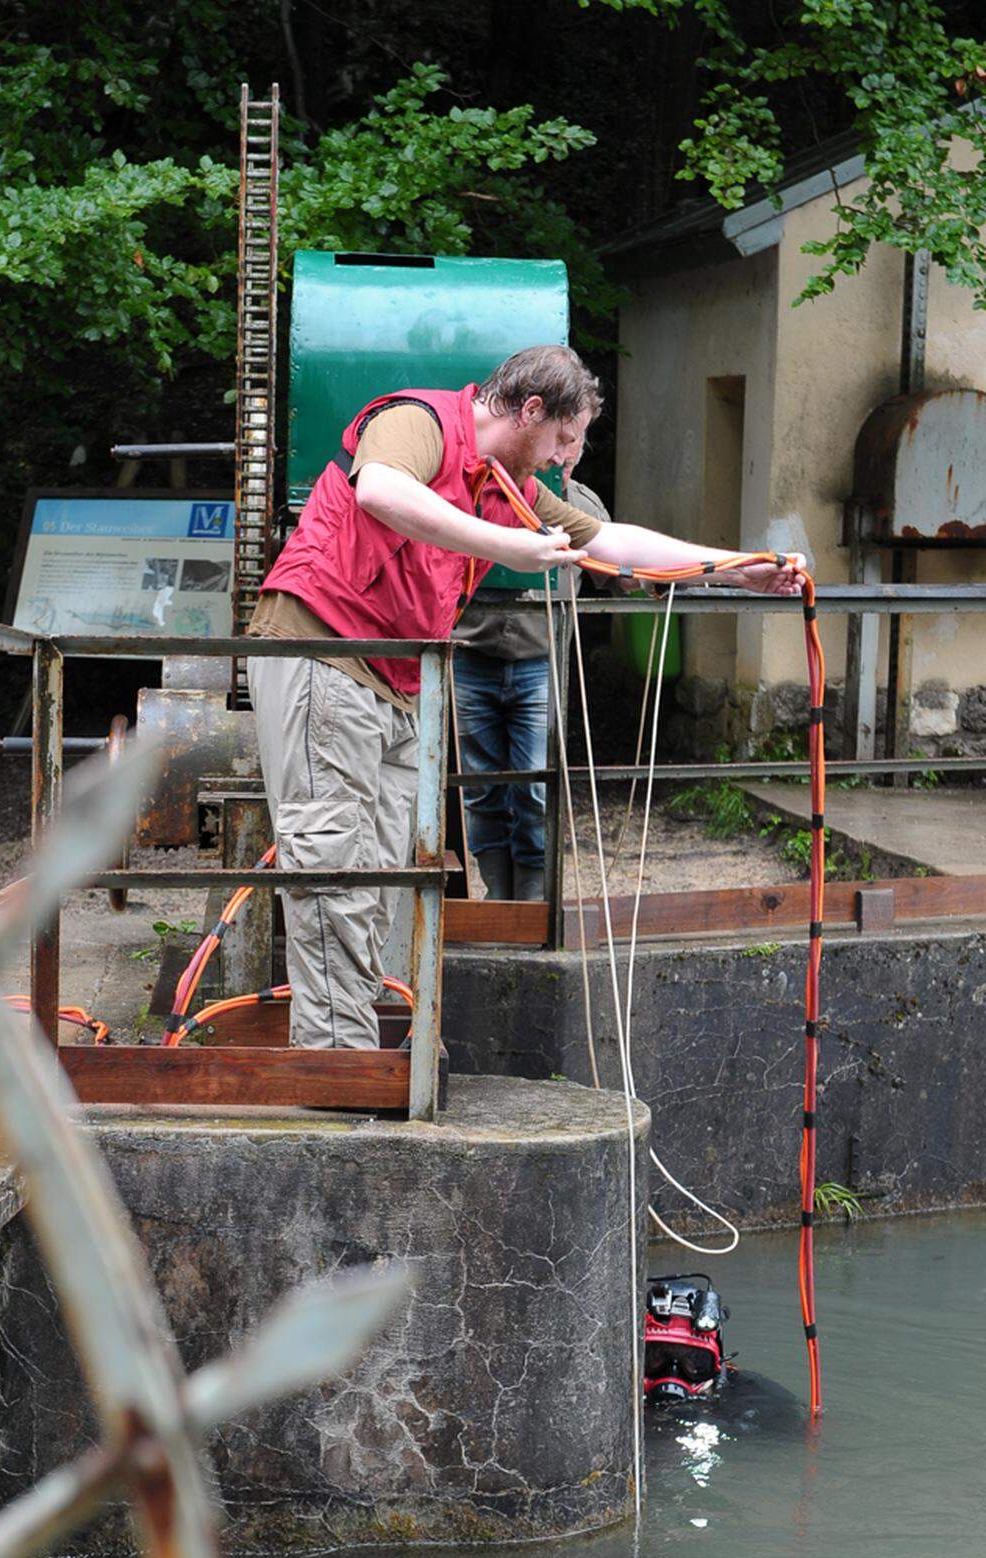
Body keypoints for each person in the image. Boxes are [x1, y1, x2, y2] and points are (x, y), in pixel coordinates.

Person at [246, 345, 804, 1051]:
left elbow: (612, 542)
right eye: (564, 440)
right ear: (532, 410)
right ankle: (337, 1065)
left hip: (397, 680)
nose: (564, 459)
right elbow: (381, 490)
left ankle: (369, 1050)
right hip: (321, 652)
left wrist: (734, 570)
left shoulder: (509, 490)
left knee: (381, 876)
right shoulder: (419, 421)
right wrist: (507, 548)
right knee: (333, 867)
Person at [453, 473, 611, 903]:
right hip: (471, 650)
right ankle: (497, 896)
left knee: (536, 787)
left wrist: (672, 574)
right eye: (560, 439)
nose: (563, 453)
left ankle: (533, 900)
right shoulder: (481, 486)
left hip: (541, 660)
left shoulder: (580, 502)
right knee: (480, 785)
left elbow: (617, 574)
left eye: (574, 441)